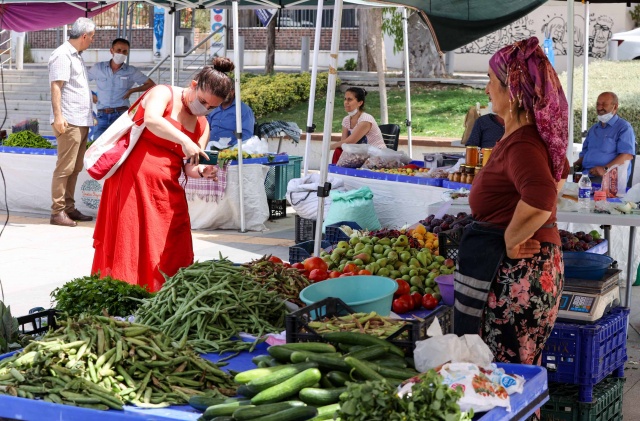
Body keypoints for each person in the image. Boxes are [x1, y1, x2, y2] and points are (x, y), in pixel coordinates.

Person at [454, 38, 570, 372]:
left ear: (513, 91)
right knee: (508, 377)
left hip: (517, 278)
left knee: (505, 378)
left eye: (492, 80)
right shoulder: (522, 136)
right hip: (521, 273)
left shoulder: (522, 143)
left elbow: (541, 198)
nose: (487, 89)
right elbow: (559, 174)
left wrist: (511, 237)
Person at [91, 66, 233, 293]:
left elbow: (190, 167)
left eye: (211, 108)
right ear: (194, 85)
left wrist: (202, 171)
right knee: (129, 241)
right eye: (203, 102)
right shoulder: (163, 93)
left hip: (166, 189)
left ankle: (163, 296)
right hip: (132, 181)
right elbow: (152, 119)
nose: (204, 109)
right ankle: (125, 296)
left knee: (170, 245)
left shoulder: (203, 125)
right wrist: (184, 140)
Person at [48, 17, 96, 227]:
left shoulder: (76, 55)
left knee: (75, 168)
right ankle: (57, 211)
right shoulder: (62, 54)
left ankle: (68, 207)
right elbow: (56, 86)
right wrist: (59, 116)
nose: (92, 41)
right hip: (69, 120)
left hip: (81, 120)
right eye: (92, 37)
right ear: (84, 36)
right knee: (64, 168)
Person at [88, 38, 156, 140]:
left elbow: (151, 84)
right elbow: (81, 81)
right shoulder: (99, 68)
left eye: (124, 51)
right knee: (97, 147)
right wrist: (90, 95)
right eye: (118, 50)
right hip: (102, 115)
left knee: (119, 147)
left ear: (127, 53)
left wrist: (132, 90)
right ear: (111, 51)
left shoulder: (131, 71)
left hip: (121, 115)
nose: (121, 53)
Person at [572, 92, 635, 184]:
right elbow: (584, 154)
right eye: (598, 104)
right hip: (585, 175)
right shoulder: (594, 129)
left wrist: (605, 169)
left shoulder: (624, 127)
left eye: (604, 104)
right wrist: (571, 167)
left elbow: (627, 155)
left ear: (615, 106)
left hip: (608, 179)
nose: (599, 108)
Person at [206, 57, 255, 147]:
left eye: (227, 91)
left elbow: (246, 135)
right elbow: (205, 127)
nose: (223, 94)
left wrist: (231, 146)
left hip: (231, 150)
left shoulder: (243, 110)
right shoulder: (213, 106)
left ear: (234, 91)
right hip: (209, 147)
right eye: (221, 91)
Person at [331, 87, 386, 164]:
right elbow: (343, 144)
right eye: (345, 99)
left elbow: (350, 142)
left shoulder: (365, 120)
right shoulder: (346, 120)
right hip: (361, 156)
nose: (346, 102)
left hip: (376, 156)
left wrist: (327, 147)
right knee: (338, 151)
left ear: (360, 103)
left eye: (350, 99)